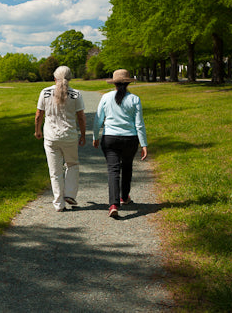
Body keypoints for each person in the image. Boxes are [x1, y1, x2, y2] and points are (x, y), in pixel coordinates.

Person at [93, 69, 148, 219]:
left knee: (113, 170)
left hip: (110, 138)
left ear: (114, 83)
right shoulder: (135, 99)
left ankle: (113, 204)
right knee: (127, 166)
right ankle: (124, 197)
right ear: (128, 82)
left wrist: (95, 136)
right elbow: (139, 124)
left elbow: (98, 119)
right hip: (130, 139)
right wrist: (144, 144)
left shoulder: (106, 97)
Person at [35, 66, 87, 212]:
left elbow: (39, 114)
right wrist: (83, 134)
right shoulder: (76, 94)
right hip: (69, 136)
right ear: (70, 78)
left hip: (51, 137)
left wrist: (37, 130)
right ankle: (69, 194)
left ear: (54, 78)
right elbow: (81, 117)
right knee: (72, 164)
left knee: (55, 171)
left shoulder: (45, 92)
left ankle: (58, 203)